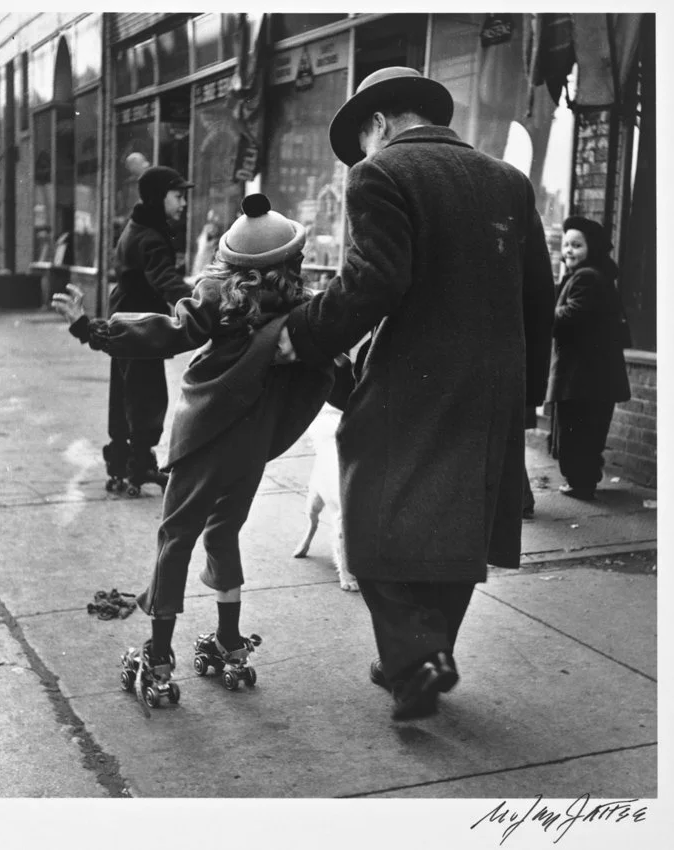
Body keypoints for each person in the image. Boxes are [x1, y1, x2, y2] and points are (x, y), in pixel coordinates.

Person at [274, 66, 555, 721]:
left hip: (415, 382)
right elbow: (537, 294)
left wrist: (302, 336)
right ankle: (423, 657)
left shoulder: (381, 174)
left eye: (363, 141)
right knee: (457, 522)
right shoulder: (508, 181)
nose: (364, 156)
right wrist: (529, 396)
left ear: (378, 123)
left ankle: (413, 654)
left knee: (368, 508)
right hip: (492, 388)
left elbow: (373, 281)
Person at [52, 194, 333, 712]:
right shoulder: (303, 315)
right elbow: (333, 375)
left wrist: (92, 328)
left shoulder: (218, 297)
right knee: (223, 535)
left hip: (204, 439)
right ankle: (229, 641)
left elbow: (168, 331)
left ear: (234, 257)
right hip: (251, 449)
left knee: (175, 539)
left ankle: (158, 657)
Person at [104, 165, 195, 496]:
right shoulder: (151, 236)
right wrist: (196, 302)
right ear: (160, 198)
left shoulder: (138, 226)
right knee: (148, 397)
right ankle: (138, 466)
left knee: (126, 395)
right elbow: (164, 279)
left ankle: (120, 463)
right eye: (178, 195)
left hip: (123, 322)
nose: (183, 202)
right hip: (139, 328)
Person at [546, 216, 631, 500]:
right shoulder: (588, 275)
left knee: (577, 431)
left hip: (582, 376)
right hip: (590, 375)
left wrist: (544, 313)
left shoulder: (587, 277)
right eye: (567, 245)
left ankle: (580, 484)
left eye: (577, 245)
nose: (569, 250)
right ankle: (582, 481)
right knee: (586, 431)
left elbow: (568, 318)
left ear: (591, 248)